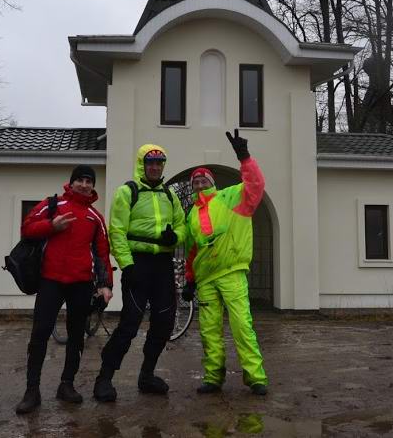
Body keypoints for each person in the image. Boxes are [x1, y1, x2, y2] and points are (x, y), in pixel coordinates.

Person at [15, 165, 113, 414]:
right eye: (79, 180)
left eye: (88, 181)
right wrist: (51, 226)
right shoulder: (52, 205)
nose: (84, 184)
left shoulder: (95, 217)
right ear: (71, 182)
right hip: (51, 281)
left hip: (81, 284)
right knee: (40, 333)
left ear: (93, 185)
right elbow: (26, 228)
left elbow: (102, 253)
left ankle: (66, 385)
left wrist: (105, 285)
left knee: (76, 335)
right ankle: (32, 390)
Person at [93, 144, 186, 402]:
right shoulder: (127, 192)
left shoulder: (170, 195)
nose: (155, 167)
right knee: (129, 325)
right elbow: (117, 231)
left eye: (159, 163)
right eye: (150, 163)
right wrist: (127, 265)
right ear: (141, 165)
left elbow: (182, 226)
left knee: (164, 323)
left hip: (163, 265)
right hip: (138, 264)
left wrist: (175, 236)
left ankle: (146, 376)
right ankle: (104, 378)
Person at [182, 129, 269, 396]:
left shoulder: (231, 197)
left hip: (232, 273)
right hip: (206, 279)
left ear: (212, 182)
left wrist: (244, 157)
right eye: (195, 182)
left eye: (203, 181)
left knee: (242, 325)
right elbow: (191, 251)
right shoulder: (191, 216)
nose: (199, 185)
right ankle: (213, 377)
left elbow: (255, 186)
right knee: (209, 331)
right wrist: (189, 280)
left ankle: (255, 377)